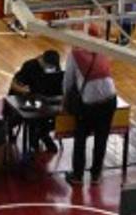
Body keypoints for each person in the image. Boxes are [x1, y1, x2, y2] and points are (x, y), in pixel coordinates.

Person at [63, 45, 117, 186]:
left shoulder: (74, 55)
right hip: (110, 99)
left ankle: (77, 176)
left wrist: (65, 103)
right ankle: (96, 175)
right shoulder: (101, 49)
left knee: (80, 137)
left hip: (89, 103)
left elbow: (68, 83)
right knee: (101, 138)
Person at [7, 50, 62, 154]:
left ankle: (42, 134)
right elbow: (14, 85)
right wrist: (25, 90)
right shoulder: (30, 66)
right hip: (21, 98)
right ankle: (35, 140)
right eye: (48, 66)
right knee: (34, 116)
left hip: (41, 99)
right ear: (42, 60)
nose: (50, 68)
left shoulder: (54, 67)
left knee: (54, 115)